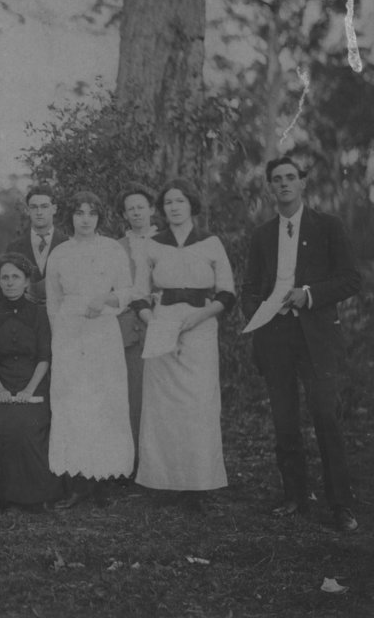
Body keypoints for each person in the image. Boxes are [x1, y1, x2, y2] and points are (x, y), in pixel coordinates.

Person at [241, 157, 361, 532]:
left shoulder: (328, 226)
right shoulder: (262, 235)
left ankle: (340, 504)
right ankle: (294, 496)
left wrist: (308, 294)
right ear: (270, 187)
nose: (284, 184)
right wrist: (260, 314)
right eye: (277, 179)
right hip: (275, 337)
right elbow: (249, 288)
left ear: (303, 183)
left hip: (316, 337)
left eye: (291, 177)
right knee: (285, 419)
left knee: (325, 416)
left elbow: (351, 279)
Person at [132, 179, 235, 510]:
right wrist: (155, 323)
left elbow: (227, 294)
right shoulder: (152, 245)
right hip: (162, 326)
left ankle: (198, 486)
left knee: (199, 405)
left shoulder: (210, 243)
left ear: (192, 204)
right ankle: (163, 483)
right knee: (162, 407)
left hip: (200, 327)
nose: (174, 207)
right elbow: (139, 295)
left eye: (180, 201)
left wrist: (200, 316)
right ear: (161, 210)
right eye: (168, 202)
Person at [46, 192, 133, 508]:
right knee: (73, 404)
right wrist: (60, 338)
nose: (85, 219)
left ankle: (102, 481)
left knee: (104, 403)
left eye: (92, 213)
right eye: (79, 213)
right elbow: (53, 301)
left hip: (102, 333)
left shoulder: (112, 249)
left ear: (99, 217)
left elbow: (127, 290)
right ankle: (77, 483)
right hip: (70, 335)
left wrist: (105, 299)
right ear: (70, 217)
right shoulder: (60, 253)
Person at [0, 253, 59, 514]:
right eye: (5, 277)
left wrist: (29, 390)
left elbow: (44, 357)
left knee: (24, 425)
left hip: (34, 383)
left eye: (16, 277)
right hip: (1, 382)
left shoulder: (39, 314)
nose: (10, 282)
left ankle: (26, 498)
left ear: (26, 282)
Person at [115, 182, 159, 471]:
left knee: (161, 394)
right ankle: (133, 463)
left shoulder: (167, 242)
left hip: (162, 322)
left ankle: (160, 463)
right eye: (130, 209)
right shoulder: (116, 247)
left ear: (152, 209)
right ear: (124, 215)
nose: (136, 213)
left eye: (141, 207)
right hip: (129, 327)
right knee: (132, 395)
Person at [5, 185, 67, 303]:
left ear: (54, 209)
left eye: (44, 207)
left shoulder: (68, 244)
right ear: (28, 211)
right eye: (34, 207)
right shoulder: (14, 248)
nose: (39, 212)